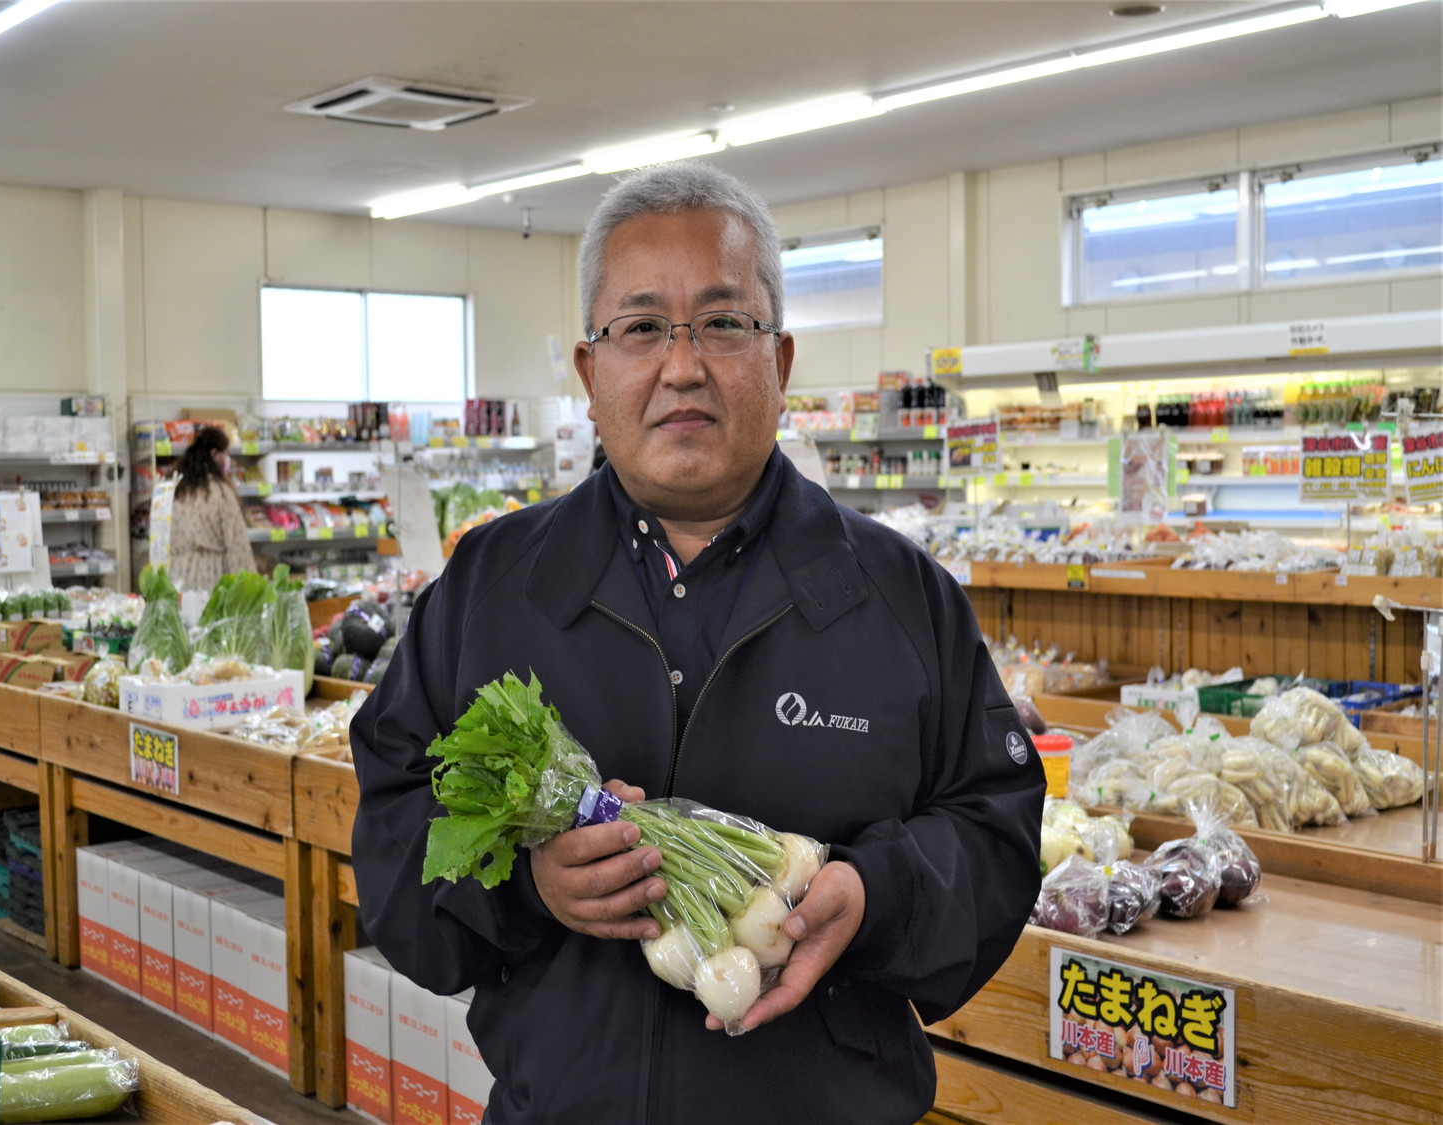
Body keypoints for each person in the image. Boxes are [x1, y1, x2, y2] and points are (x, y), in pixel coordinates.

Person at [350, 162, 1045, 1125]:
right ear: (592, 373)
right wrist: (524, 888)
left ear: (782, 361)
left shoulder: (900, 595)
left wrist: (871, 892)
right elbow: (393, 835)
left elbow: (997, 831)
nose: (684, 366)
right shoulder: (489, 587)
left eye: (724, 323)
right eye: (640, 328)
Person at [166, 425, 256, 592]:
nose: (228, 460)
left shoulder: (175, 489)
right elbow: (237, 545)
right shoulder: (220, 493)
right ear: (215, 454)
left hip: (176, 577)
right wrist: (249, 589)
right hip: (210, 578)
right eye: (226, 454)